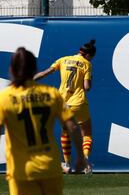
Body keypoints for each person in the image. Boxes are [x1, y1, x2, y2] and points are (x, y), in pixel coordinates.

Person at [0, 47, 87, 195]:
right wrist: (80, 157)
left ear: (12, 70)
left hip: (22, 171)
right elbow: (73, 127)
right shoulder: (51, 94)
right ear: (34, 70)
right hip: (50, 168)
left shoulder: (5, 97)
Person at [34, 39, 96, 173]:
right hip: (78, 103)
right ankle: (85, 162)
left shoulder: (63, 60)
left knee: (65, 133)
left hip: (63, 103)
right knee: (87, 134)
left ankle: (67, 164)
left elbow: (45, 72)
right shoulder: (87, 64)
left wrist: (30, 80)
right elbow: (87, 87)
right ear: (89, 55)